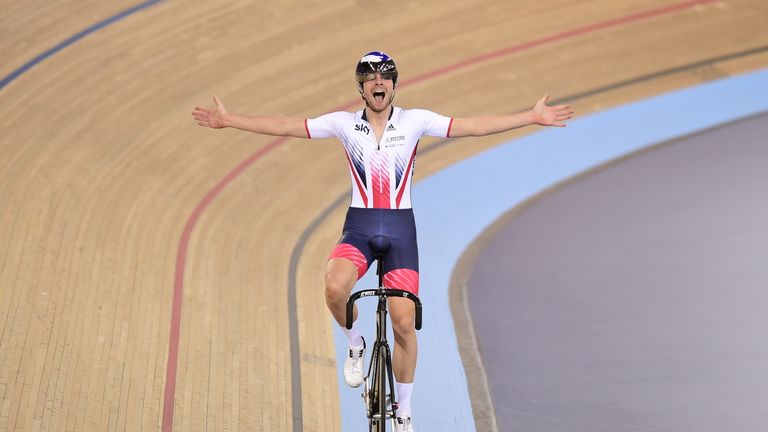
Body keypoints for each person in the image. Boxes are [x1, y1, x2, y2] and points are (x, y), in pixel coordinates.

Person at [192, 50, 573, 432]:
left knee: (403, 325)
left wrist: (530, 116)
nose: (379, 83)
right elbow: (287, 125)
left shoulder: (415, 121)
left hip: (400, 233)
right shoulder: (343, 124)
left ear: (393, 84)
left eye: (385, 77)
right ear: (362, 87)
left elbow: (473, 125)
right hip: (358, 229)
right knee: (333, 287)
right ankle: (355, 343)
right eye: (371, 77)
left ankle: (404, 410)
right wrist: (230, 121)